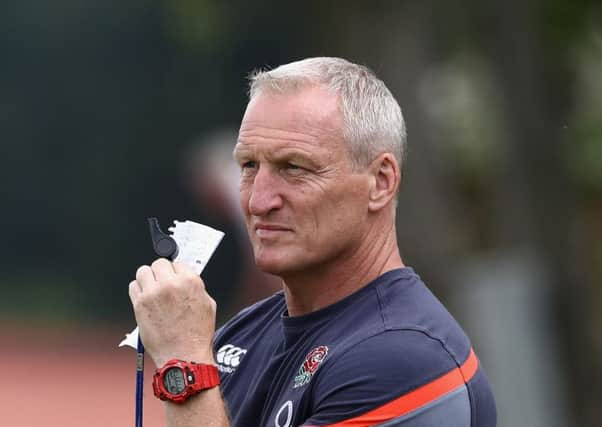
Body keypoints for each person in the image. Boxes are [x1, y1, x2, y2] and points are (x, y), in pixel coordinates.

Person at [128, 57, 497, 426]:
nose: (259, 201)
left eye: (294, 167)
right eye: (249, 167)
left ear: (381, 182)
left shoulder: (404, 357)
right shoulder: (246, 331)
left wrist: (185, 363)